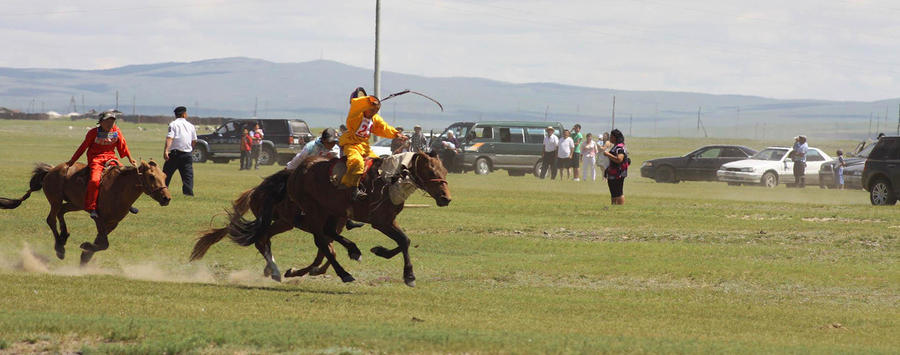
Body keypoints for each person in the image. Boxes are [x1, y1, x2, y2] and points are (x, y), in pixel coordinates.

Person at [67, 110, 137, 219]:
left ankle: (127, 204)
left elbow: (123, 145)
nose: (110, 124)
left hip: (111, 158)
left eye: (112, 121)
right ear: (101, 122)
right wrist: (72, 161)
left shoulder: (116, 131)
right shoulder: (93, 133)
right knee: (94, 181)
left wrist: (130, 158)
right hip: (96, 159)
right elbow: (83, 147)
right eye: (107, 121)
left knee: (124, 177)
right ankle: (92, 207)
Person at [339, 87, 406, 200]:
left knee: (380, 164)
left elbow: (383, 128)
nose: (373, 112)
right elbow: (356, 104)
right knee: (356, 163)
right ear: (364, 107)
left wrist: (396, 134)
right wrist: (370, 100)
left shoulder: (375, 118)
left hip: (365, 147)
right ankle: (352, 189)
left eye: (375, 111)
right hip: (351, 145)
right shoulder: (355, 116)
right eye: (372, 110)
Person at [163, 106, 198, 196]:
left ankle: (162, 191)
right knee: (188, 176)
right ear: (184, 114)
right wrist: (190, 149)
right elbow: (194, 141)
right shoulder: (191, 126)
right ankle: (188, 194)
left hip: (175, 154)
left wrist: (166, 150)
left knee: (165, 175)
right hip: (187, 154)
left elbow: (170, 138)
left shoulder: (173, 124)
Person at [603, 129, 628, 205]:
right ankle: (613, 207)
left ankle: (620, 208)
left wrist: (607, 154)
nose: (610, 138)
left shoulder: (619, 147)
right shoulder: (615, 146)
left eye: (611, 137)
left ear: (615, 137)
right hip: (612, 172)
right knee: (613, 192)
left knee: (618, 192)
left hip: (618, 173)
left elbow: (619, 159)